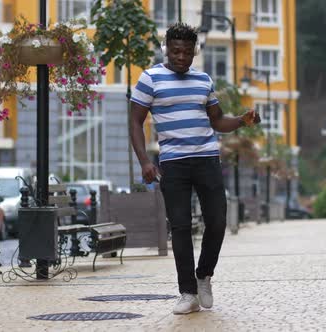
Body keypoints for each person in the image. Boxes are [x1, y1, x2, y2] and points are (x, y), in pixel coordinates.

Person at [129, 23, 260, 315]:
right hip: (173, 163)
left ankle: (204, 276)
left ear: (195, 52)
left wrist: (242, 120)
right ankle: (187, 292)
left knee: (217, 220)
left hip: (206, 158)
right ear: (166, 49)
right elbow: (135, 122)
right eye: (176, 51)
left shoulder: (203, 80)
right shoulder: (150, 78)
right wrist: (145, 162)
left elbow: (217, 121)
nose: (181, 57)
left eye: (188, 52)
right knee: (181, 226)